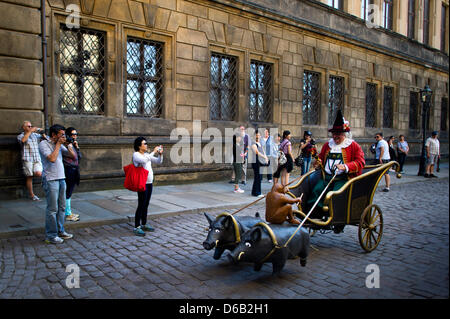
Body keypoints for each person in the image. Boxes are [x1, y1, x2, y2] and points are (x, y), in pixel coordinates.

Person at [307, 110, 365, 210]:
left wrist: (345, 166)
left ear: (344, 134)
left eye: (338, 134)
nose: (335, 136)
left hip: (343, 179)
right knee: (316, 191)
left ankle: (332, 217)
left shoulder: (353, 145)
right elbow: (321, 158)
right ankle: (314, 216)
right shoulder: (327, 145)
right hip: (326, 178)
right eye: (334, 133)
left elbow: (360, 162)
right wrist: (317, 162)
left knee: (335, 195)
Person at [39, 124, 76, 244]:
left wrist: (69, 145)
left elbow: (72, 156)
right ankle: (51, 235)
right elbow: (52, 158)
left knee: (62, 207)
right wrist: (59, 144)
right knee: (52, 209)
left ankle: (60, 231)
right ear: (54, 135)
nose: (63, 136)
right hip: (50, 179)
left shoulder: (59, 145)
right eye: (61, 134)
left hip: (61, 178)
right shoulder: (44, 144)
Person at [132, 137, 163, 236]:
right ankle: (137, 226)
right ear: (139, 146)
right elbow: (145, 160)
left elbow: (158, 161)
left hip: (149, 183)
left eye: (146, 143)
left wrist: (160, 154)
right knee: (141, 204)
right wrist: (153, 151)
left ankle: (144, 223)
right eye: (144, 143)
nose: (146, 145)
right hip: (142, 183)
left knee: (146, 204)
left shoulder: (146, 154)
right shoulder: (136, 155)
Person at [17, 121, 47, 201]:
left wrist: (42, 132)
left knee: (39, 173)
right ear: (23, 127)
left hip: (37, 158)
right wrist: (30, 131)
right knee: (29, 176)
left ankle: (46, 187)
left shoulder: (35, 135)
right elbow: (23, 140)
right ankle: (32, 195)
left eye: (31, 126)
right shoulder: (20, 136)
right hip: (28, 159)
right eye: (28, 126)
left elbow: (46, 140)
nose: (30, 127)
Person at [63, 127, 81, 222]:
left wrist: (77, 147)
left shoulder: (73, 145)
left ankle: (68, 211)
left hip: (74, 170)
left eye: (76, 134)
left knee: (70, 192)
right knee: (68, 192)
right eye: (73, 134)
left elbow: (79, 157)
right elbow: (73, 157)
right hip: (68, 170)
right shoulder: (65, 146)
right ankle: (67, 213)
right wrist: (69, 145)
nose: (75, 136)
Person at [250, 130, 268, 197]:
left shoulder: (259, 142)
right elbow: (256, 152)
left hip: (260, 161)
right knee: (257, 177)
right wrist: (264, 157)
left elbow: (263, 151)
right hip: (256, 162)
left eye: (259, 135)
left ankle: (254, 192)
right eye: (257, 135)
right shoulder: (253, 143)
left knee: (259, 177)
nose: (258, 136)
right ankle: (257, 192)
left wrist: (265, 157)